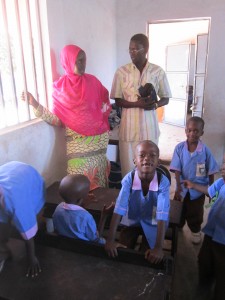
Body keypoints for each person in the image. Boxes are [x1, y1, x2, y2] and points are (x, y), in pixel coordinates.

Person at [21, 44, 111, 191]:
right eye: (78, 61)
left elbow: (104, 100)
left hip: (98, 143)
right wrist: (35, 104)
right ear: (68, 62)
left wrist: (99, 118)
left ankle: (100, 214)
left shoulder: (93, 82)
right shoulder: (60, 88)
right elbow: (57, 120)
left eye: (84, 60)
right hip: (77, 146)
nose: (83, 64)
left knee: (99, 188)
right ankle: (78, 213)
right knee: (77, 186)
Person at [110, 33, 171, 177]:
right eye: (130, 49)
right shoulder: (121, 72)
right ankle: (130, 197)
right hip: (128, 130)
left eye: (135, 49)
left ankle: (149, 196)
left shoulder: (157, 71)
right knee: (128, 170)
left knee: (149, 170)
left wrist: (155, 105)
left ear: (146, 49)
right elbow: (117, 100)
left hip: (149, 130)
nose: (132, 53)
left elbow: (166, 98)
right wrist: (136, 104)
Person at [105, 140, 170, 264]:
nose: (147, 158)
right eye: (142, 155)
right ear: (134, 161)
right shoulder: (128, 180)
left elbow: (162, 213)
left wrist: (158, 248)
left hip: (153, 222)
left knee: (147, 257)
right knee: (121, 252)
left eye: (152, 155)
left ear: (158, 162)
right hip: (132, 220)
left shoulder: (163, 182)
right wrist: (110, 240)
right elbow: (119, 207)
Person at [170, 116, 219, 244]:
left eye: (196, 131)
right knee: (179, 208)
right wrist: (178, 187)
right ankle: (178, 225)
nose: (192, 133)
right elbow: (176, 168)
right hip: (182, 188)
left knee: (195, 211)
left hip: (198, 190)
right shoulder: (179, 148)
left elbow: (211, 170)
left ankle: (195, 230)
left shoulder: (205, 151)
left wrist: (211, 190)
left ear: (201, 133)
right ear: (186, 131)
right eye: (190, 130)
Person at [183, 153, 225, 300]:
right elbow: (209, 191)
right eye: (224, 163)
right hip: (211, 234)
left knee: (222, 274)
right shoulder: (221, 183)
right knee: (204, 260)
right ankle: (203, 285)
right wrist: (193, 185)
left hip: (223, 242)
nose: (223, 168)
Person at [0, 161, 45, 277]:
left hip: (29, 179)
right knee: (2, 224)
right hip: (13, 173)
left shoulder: (16, 202)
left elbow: (26, 225)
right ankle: (3, 253)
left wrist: (32, 258)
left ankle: (39, 240)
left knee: (31, 222)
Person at [53, 174, 114, 244]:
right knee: (105, 242)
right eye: (88, 192)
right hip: (83, 248)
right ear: (80, 200)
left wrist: (83, 203)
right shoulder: (86, 217)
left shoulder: (58, 208)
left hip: (64, 244)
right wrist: (104, 216)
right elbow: (95, 239)